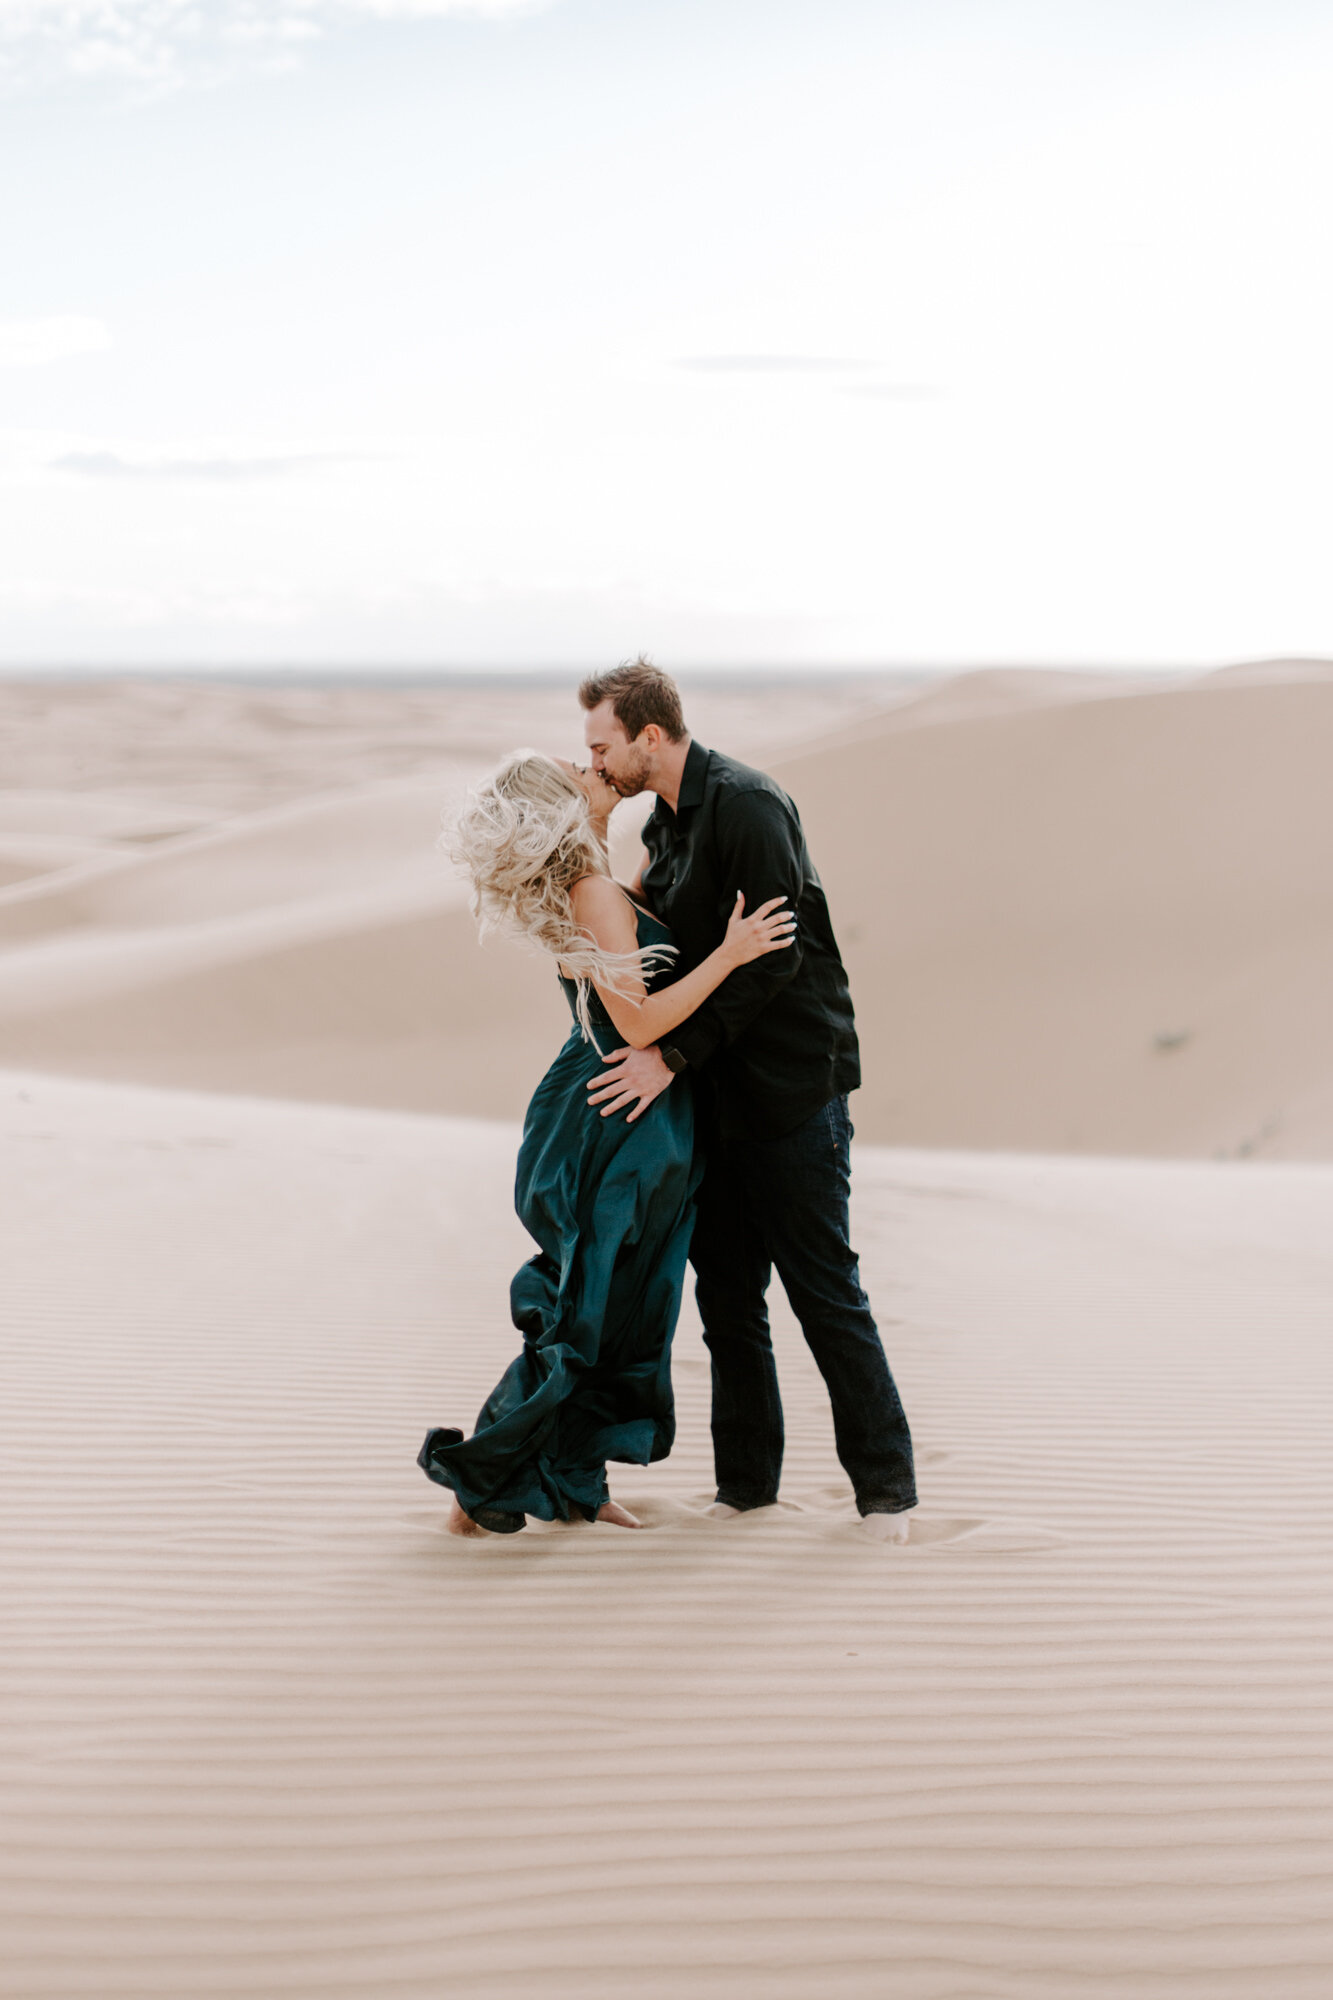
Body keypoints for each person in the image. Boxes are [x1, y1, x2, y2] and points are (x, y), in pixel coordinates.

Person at [579, 660, 917, 1542]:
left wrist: (671, 1055)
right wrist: (594, 823)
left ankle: (885, 1495)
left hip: (791, 1087)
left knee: (823, 1291)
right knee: (727, 1298)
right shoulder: (662, 821)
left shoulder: (749, 805)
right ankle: (746, 1488)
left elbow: (776, 955)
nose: (593, 759)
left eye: (600, 745)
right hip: (713, 1094)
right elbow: (639, 928)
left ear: (649, 735)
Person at [418, 749, 795, 1536]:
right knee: (586, 1308)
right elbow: (639, 1024)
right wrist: (730, 955)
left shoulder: (594, 884)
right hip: (613, 1117)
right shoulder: (589, 893)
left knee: (619, 1305)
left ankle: (577, 1484)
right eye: (581, 773)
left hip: (631, 1112)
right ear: (563, 803)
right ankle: (478, 1487)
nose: (599, 774)